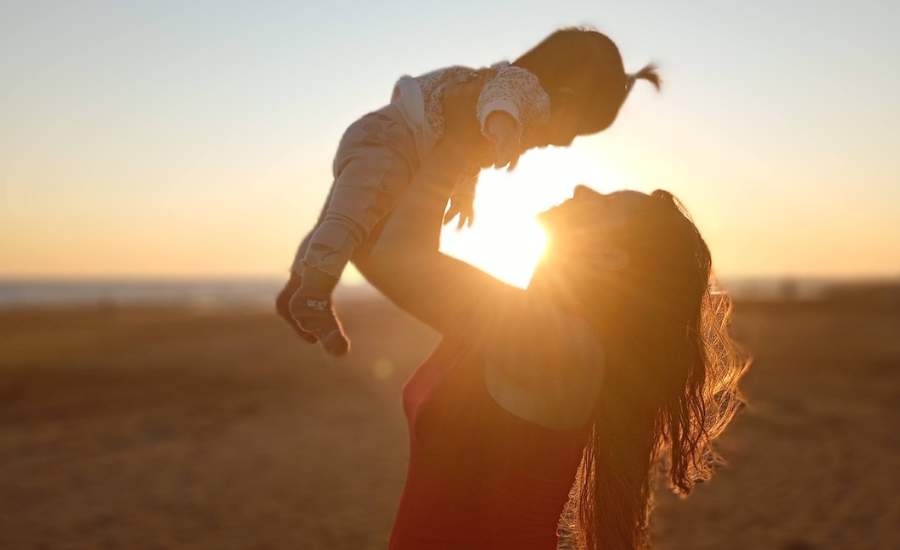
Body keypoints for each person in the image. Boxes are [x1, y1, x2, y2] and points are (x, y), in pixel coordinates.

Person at [277, 77, 750, 548]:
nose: (584, 187)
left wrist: (463, 137)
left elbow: (397, 256)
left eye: (603, 202)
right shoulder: (526, 320)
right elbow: (386, 246)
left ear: (612, 259)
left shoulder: (556, 344)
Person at [283, 27, 661, 356]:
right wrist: (503, 128)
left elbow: (464, 152)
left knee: (340, 221)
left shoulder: (549, 338)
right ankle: (311, 291)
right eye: (575, 128)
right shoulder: (516, 85)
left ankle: (303, 286)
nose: (565, 142)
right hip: (389, 141)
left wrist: (465, 191)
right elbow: (497, 102)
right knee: (347, 220)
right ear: (565, 93)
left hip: (393, 146)